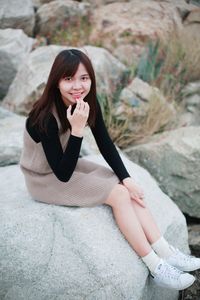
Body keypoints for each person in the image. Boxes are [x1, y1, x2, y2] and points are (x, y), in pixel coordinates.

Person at [20, 48, 200, 291]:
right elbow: (62, 174)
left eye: (84, 78)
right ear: (56, 81)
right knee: (117, 195)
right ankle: (155, 266)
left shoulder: (87, 102)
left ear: (91, 79)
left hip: (65, 164)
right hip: (44, 178)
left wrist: (126, 177)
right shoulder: (43, 117)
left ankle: (167, 251)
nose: (77, 86)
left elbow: (105, 143)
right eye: (68, 79)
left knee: (125, 186)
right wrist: (77, 131)